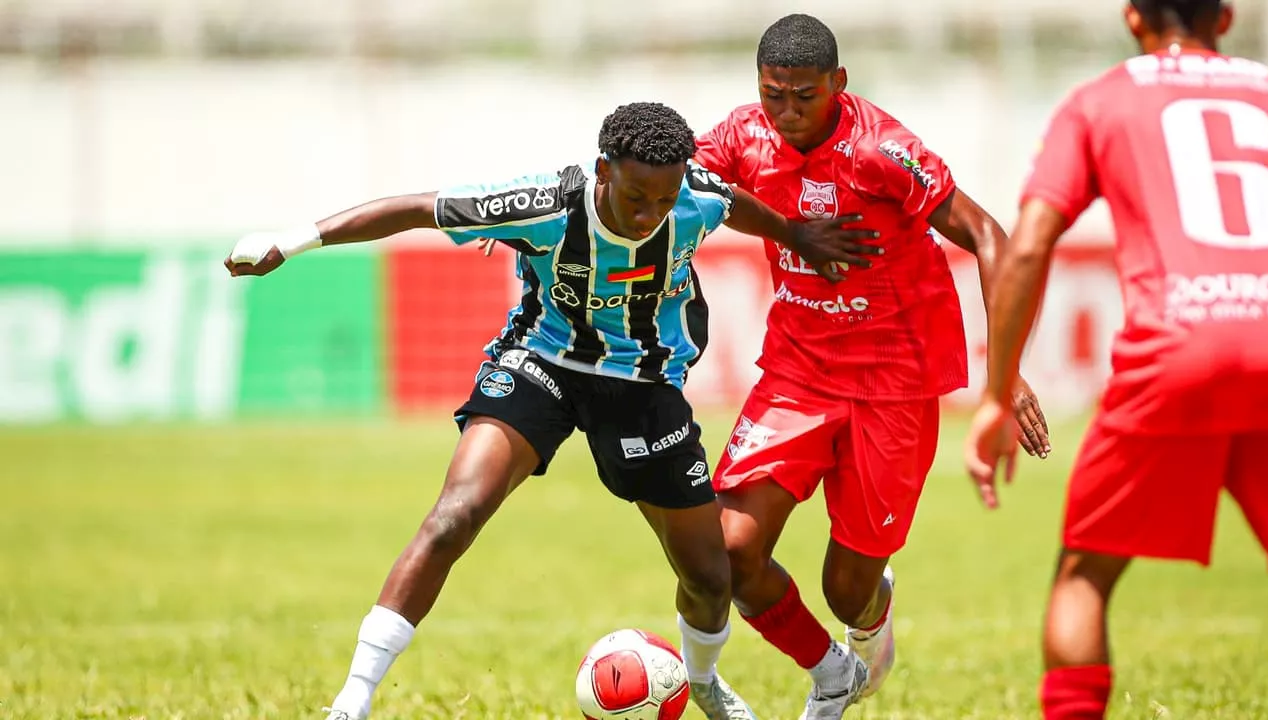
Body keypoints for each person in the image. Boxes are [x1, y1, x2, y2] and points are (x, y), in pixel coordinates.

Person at [224, 101, 882, 720]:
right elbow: (418, 210)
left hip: (644, 385)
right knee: (455, 516)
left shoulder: (694, 198)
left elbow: (733, 202)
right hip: (543, 365)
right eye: (635, 196)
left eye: (663, 197)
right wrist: (294, 240)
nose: (651, 213)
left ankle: (704, 683)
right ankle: (353, 699)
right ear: (602, 171)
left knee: (709, 578)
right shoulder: (542, 204)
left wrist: (797, 234)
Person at [692, 14, 1051, 719]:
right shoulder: (742, 134)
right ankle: (831, 672)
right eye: (774, 96)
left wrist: (1003, 378)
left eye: (805, 96)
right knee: (730, 548)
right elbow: (690, 184)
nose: (788, 113)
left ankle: (870, 622)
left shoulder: (882, 149)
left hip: (896, 384)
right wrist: (788, 231)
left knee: (845, 589)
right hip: (797, 372)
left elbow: (988, 235)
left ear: (839, 84)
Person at [964, 2, 1268, 718]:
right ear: (1226, 18)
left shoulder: (1099, 100)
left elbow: (1033, 241)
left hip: (1179, 348)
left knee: (1085, 574)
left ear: (1133, 16)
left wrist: (998, 390)